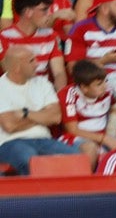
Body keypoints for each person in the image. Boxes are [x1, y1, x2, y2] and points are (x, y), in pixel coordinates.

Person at [0, 45, 78, 173]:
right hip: (10, 143)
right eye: (31, 61)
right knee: (30, 160)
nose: (37, 64)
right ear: (17, 68)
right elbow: (10, 126)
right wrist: (42, 116)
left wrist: (26, 113)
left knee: (75, 157)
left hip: (43, 139)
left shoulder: (42, 83)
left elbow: (56, 117)